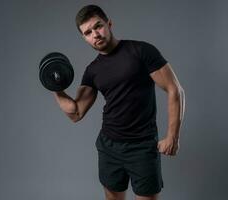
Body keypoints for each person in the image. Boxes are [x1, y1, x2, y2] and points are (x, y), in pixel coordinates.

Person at [53, 4, 185, 200]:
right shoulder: (93, 70)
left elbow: (175, 90)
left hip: (142, 147)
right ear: (84, 38)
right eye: (88, 32)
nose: (95, 34)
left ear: (109, 23)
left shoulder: (141, 51)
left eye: (98, 26)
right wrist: (55, 86)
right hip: (109, 147)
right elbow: (76, 112)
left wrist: (172, 137)